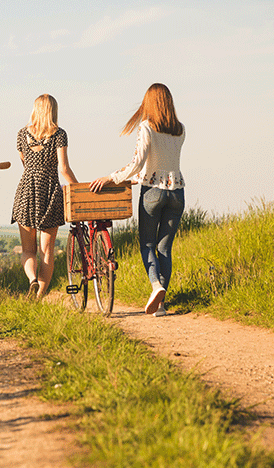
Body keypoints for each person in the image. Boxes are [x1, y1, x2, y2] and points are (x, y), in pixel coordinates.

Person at [90, 83, 186, 317]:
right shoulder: (180, 129)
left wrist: (112, 178)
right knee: (165, 249)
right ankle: (160, 305)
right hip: (177, 192)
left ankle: (156, 286)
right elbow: (163, 161)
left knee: (147, 245)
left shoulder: (146, 127)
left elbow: (138, 162)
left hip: (152, 193)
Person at [11, 94, 79, 299]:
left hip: (26, 191)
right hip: (49, 190)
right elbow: (64, 169)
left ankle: (32, 278)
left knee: (27, 251)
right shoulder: (59, 134)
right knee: (46, 252)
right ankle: (38, 297)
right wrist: (78, 188)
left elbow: (25, 164)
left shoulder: (22, 134)